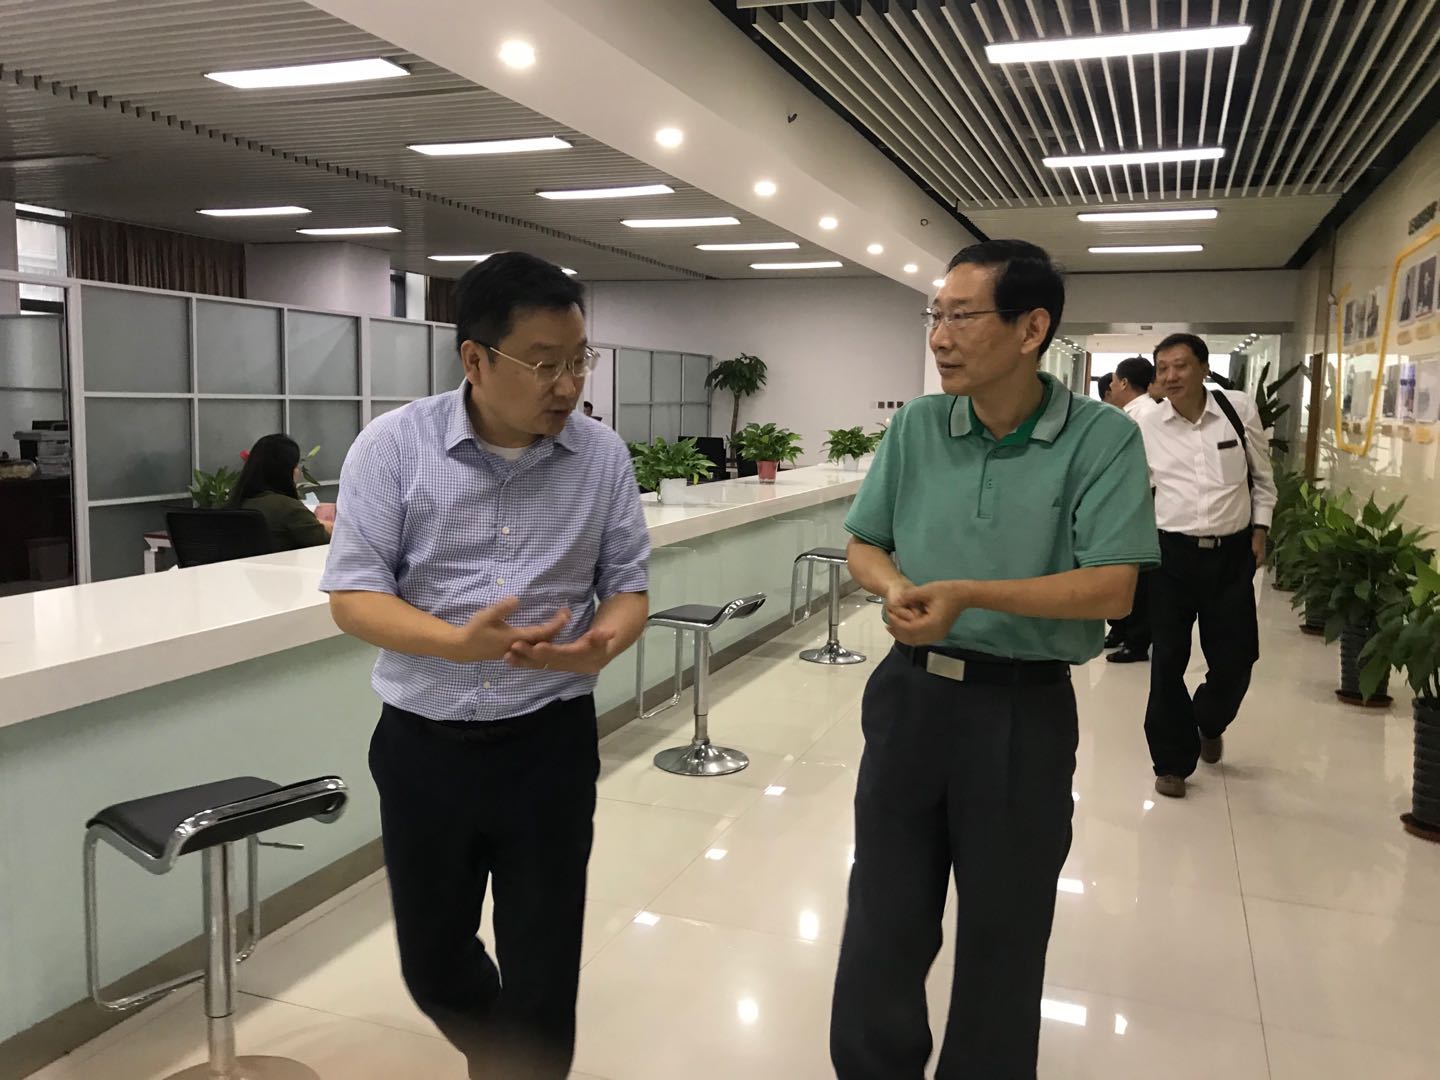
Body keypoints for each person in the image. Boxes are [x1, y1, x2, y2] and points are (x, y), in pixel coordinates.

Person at [831, 239, 1159, 1078]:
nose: (939, 336)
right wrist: (897, 587)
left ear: (1030, 329)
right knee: (883, 916)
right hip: (910, 699)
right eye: (935, 315)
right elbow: (864, 542)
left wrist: (970, 594)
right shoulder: (917, 425)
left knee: (1005, 931)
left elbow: (1113, 587)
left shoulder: (1101, 438)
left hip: (1021, 709)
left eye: (961, 316)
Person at [319, 252, 651, 1078]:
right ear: (476, 358)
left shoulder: (602, 457)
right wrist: (456, 642)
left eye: (579, 360)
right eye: (544, 363)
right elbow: (354, 597)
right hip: (424, 746)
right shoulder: (392, 448)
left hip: (549, 744)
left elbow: (627, 587)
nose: (567, 385)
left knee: (544, 968)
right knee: (433, 964)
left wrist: (602, 642)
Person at [1137, 333, 1276, 799]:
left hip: (1231, 555)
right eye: (1162, 368)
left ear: (1203, 368)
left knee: (1237, 658)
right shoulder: (1147, 426)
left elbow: (1263, 479)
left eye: (1180, 365)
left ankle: (1209, 720)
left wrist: (1260, 529)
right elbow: (1135, 491)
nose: (1170, 376)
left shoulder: (1238, 410)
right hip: (1170, 556)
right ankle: (1171, 762)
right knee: (1167, 659)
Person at [1104, 356, 1163, 664]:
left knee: (1140, 575)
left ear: (1125, 383)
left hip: (1144, 497)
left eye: (1114, 381)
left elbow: (1150, 466)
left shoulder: (1147, 416)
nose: (1111, 387)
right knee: (1122, 566)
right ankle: (1121, 629)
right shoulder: (1132, 413)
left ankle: (1136, 640)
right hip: (1130, 496)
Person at [227, 433, 331, 550]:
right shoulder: (288, 507)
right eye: (296, 466)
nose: (298, 471)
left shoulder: (236, 502)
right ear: (287, 470)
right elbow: (326, 542)